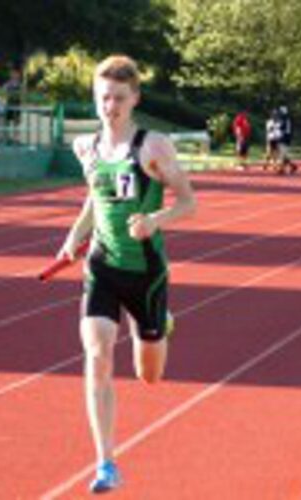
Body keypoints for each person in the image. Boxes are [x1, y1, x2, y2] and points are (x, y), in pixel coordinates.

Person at [57, 55, 196, 493]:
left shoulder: (154, 146)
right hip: (102, 266)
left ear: (134, 98)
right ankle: (105, 463)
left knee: (149, 375)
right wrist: (73, 235)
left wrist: (155, 220)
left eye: (119, 97)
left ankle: (161, 325)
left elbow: (189, 203)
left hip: (146, 274)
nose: (109, 106)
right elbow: (94, 201)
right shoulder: (87, 147)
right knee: (97, 355)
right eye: (103, 97)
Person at [278, 105, 298, 174]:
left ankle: (282, 169)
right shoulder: (287, 119)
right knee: (284, 154)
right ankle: (292, 166)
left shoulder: (284, 120)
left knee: (282, 154)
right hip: (286, 138)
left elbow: (282, 128)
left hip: (284, 138)